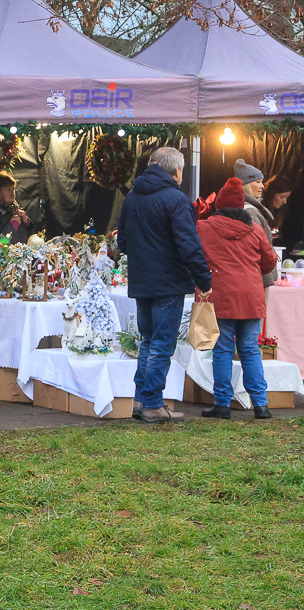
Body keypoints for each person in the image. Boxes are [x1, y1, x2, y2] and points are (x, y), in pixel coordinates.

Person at [118, 147, 212, 424]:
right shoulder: (176, 199)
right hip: (169, 282)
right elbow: (188, 245)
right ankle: (152, 404)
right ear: (177, 171)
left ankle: (140, 401)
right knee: (161, 343)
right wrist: (204, 279)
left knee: (148, 341)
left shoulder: (132, 197)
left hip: (142, 280)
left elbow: (122, 241)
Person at [196, 178, 278, 419]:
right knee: (250, 350)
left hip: (221, 297)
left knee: (222, 350)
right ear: (242, 205)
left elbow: (194, 257)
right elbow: (269, 262)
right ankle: (260, 404)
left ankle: (222, 403)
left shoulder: (203, 228)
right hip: (251, 297)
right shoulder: (255, 230)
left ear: (219, 204)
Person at [234, 159, 277, 287]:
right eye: (257, 182)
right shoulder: (250, 212)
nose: (262, 186)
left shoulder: (243, 208)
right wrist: (266, 279)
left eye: (262, 182)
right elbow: (256, 248)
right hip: (258, 276)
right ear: (246, 185)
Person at [0, 171, 32, 243]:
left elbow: (32, 238)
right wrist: (12, 225)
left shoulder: (13, 207)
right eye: (8, 190)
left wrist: (27, 223)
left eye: (13, 189)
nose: (12, 193)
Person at [261, 174, 292, 240]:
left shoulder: (280, 213)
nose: (285, 202)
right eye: (282, 197)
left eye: (286, 198)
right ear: (272, 193)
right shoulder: (259, 211)